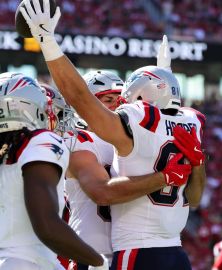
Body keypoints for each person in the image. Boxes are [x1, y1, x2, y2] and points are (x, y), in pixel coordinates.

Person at [20, 2, 206, 269]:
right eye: (107, 99)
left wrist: (163, 81)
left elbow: (164, 128)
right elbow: (101, 192)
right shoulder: (79, 141)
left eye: (121, 99)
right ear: (91, 104)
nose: (118, 105)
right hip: (93, 257)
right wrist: (163, 177)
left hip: (133, 251)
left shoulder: (133, 135)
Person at [0, 72, 109, 270]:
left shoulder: (7, 151)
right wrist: (99, 262)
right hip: (29, 262)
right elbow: (47, 226)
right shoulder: (41, 141)